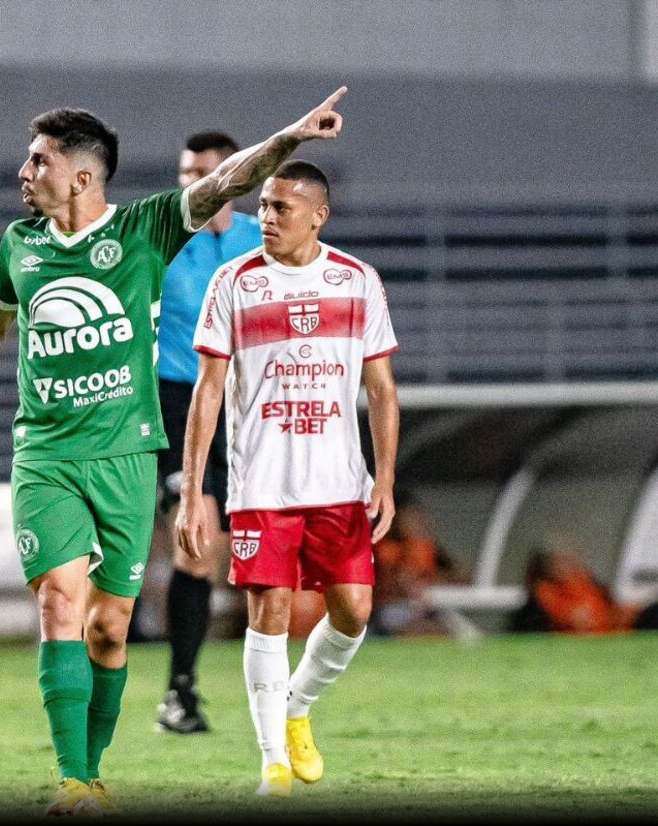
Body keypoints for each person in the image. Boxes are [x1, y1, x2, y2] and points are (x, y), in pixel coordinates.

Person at [0, 87, 349, 816]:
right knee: (61, 600)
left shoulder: (148, 228)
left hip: (126, 453)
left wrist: (290, 138)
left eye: (38, 160)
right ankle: (71, 780)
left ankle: (93, 770)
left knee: (109, 626)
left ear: (82, 177)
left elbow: (229, 183)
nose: (23, 171)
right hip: (46, 455)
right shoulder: (17, 245)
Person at [177, 159, 399, 797]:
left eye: (281, 208)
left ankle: (297, 705)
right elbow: (208, 392)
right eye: (265, 205)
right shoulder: (234, 282)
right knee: (268, 611)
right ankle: (273, 761)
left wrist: (383, 478)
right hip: (262, 485)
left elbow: (380, 389)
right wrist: (194, 491)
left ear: (318, 216)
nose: (266, 217)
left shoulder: (356, 281)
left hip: (338, 484)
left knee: (354, 612)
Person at [153, 131, 262, 735]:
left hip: (248, 405)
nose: (190, 181)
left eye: (204, 171)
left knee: (239, 548)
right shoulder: (162, 240)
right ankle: (180, 689)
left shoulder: (260, 239)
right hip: (176, 402)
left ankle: (268, 696)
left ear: (234, 177)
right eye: (184, 170)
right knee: (197, 541)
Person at [509, 544, 658, 634]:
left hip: (629, 616)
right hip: (629, 625)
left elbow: (607, 602)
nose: (567, 564)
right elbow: (572, 622)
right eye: (559, 562)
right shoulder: (546, 593)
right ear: (546, 568)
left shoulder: (581, 579)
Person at [372, 493, 469, 637]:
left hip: (428, 608)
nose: (417, 523)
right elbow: (398, 584)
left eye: (418, 518)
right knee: (424, 631)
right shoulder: (383, 548)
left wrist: (433, 580)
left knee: (463, 633)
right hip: (390, 611)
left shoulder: (424, 547)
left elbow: (462, 577)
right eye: (410, 518)